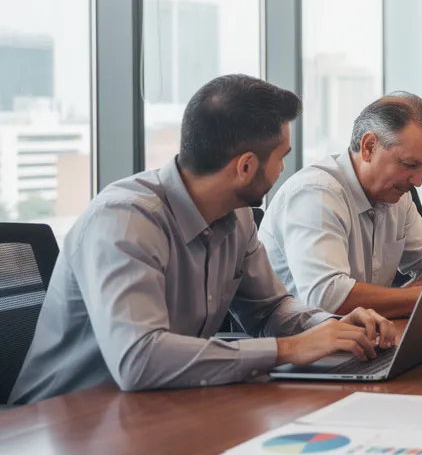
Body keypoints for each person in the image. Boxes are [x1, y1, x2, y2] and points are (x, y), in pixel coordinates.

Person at [8, 76, 398, 406]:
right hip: (63, 424)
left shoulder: (237, 216)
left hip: (161, 406)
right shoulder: (124, 222)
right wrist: (290, 349)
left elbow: (269, 309)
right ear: (246, 166)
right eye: (282, 157)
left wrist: (333, 327)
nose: (283, 169)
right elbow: (139, 359)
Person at [260, 93, 422, 318]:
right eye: (410, 165)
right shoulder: (315, 194)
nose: (418, 181)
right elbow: (329, 298)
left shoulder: (397, 195)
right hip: (300, 346)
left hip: (365, 336)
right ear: (369, 147)